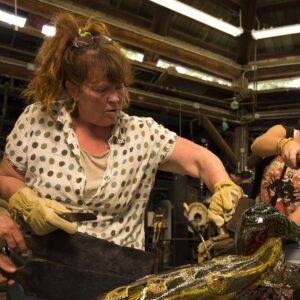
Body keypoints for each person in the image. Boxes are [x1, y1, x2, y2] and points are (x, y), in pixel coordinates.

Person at [0, 12, 243, 298]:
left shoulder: (143, 135)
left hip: (119, 284)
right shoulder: (37, 121)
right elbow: (6, 177)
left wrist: (223, 184)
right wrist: (25, 202)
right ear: (73, 89)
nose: (115, 98)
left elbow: (201, 159)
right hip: (45, 279)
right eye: (102, 89)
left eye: (120, 86)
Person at [251, 124, 300, 223]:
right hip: (260, 221)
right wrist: (284, 144)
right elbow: (256, 145)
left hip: (291, 231)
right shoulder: (287, 133)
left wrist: (282, 234)